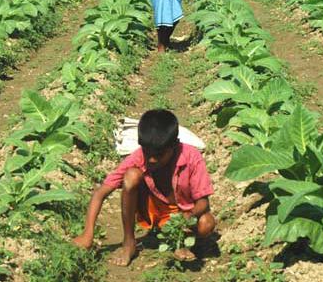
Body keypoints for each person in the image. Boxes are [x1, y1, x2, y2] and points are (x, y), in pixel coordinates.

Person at [72, 109, 216, 266]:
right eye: (148, 153)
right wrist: (88, 234)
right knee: (131, 176)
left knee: (206, 223)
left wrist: (184, 221)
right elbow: (100, 194)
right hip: (151, 211)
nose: (152, 159)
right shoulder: (138, 157)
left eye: (159, 154)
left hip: (183, 214)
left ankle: (181, 243)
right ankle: (129, 243)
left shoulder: (192, 157)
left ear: (174, 145)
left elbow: (203, 203)